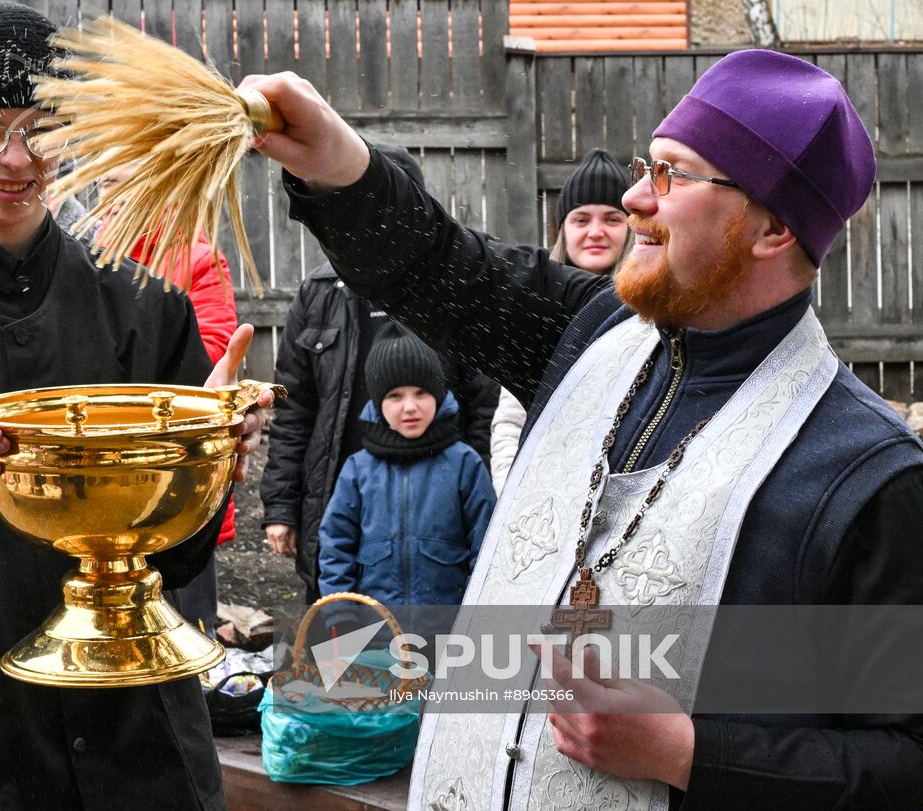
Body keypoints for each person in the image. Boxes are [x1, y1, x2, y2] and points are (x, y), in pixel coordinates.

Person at [243, 49, 923, 808]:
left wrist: (690, 751)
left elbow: (903, 760)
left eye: (673, 174)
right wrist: (338, 161)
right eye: (647, 164)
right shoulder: (590, 335)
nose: (636, 197)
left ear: (770, 229)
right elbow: (435, 265)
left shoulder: (867, 475)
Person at [0, 4, 267, 808]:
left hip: (140, 734)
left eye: (42, 125)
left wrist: (208, 456)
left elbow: (181, 561)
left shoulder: (144, 308)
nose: (17, 158)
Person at [259, 143, 499, 603]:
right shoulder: (321, 292)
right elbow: (294, 411)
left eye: (387, 205)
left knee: (440, 658)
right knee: (348, 647)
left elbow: (482, 406)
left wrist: (464, 488)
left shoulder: (452, 289)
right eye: (359, 206)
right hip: (344, 496)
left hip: (436, 519)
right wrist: (282, 507)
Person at [95, 161, 238, 633]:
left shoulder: (196, 258)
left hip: (178, 481)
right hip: (102, 485)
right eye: (103, 185)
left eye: (122, 181)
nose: (110, 198)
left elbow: (212, 354)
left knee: (184, 630)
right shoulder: (86, 261)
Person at [318, 323, 494, 605]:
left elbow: (487, 553)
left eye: (421, 393)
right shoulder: (357, 471)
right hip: (376, 632)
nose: (410, 406)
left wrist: (476, 620)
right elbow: (336, 552)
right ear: (378, 403)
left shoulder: (465, 465)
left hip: (449, 632)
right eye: (395, 396)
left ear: (437, 395)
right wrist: (344, 621)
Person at [489, 148, 631, 493]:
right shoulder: (535, 305)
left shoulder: (652, 310)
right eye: (581, 220)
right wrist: (513, 494)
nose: (596, 231)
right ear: (562, 229)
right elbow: (510, 422)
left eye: (612, 219)